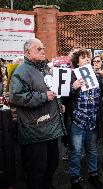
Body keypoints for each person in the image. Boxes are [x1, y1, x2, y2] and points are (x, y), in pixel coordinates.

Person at [9, 38, 66, 189]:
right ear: (27, 52)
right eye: (38, 49)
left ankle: (48, 184)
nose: (43, 51)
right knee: (37, 169)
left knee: (52, 163)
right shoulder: (21, 72)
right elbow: (16, 97)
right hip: (35, 130)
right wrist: (43, 97)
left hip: (51, 127)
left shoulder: (45, 68)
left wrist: (58, 105)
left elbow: (52, 90)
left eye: (43, 48)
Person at [68, 48, 103, 189]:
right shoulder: (72, 76)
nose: (87, 59)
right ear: (77, 62)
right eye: (83, 57)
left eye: (88, 57)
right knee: (76, 152)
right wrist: (73, 87)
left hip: (92, 121)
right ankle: (75, 179)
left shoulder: (96, 76)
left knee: (92, 151)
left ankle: (94, 175)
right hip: (78, 122)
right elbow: (65, 97)